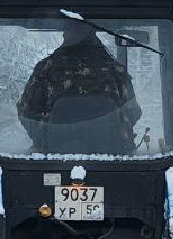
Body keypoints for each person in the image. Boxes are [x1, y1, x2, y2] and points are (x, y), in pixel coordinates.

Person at [17, 22, 141, 153]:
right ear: (92, 35)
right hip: (116, 162)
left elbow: (26, 112)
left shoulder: (46, 68)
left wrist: (44, 136)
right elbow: (133, 112)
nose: (64, 33)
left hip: (54, 160)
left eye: (67, 29)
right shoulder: (116, 70)